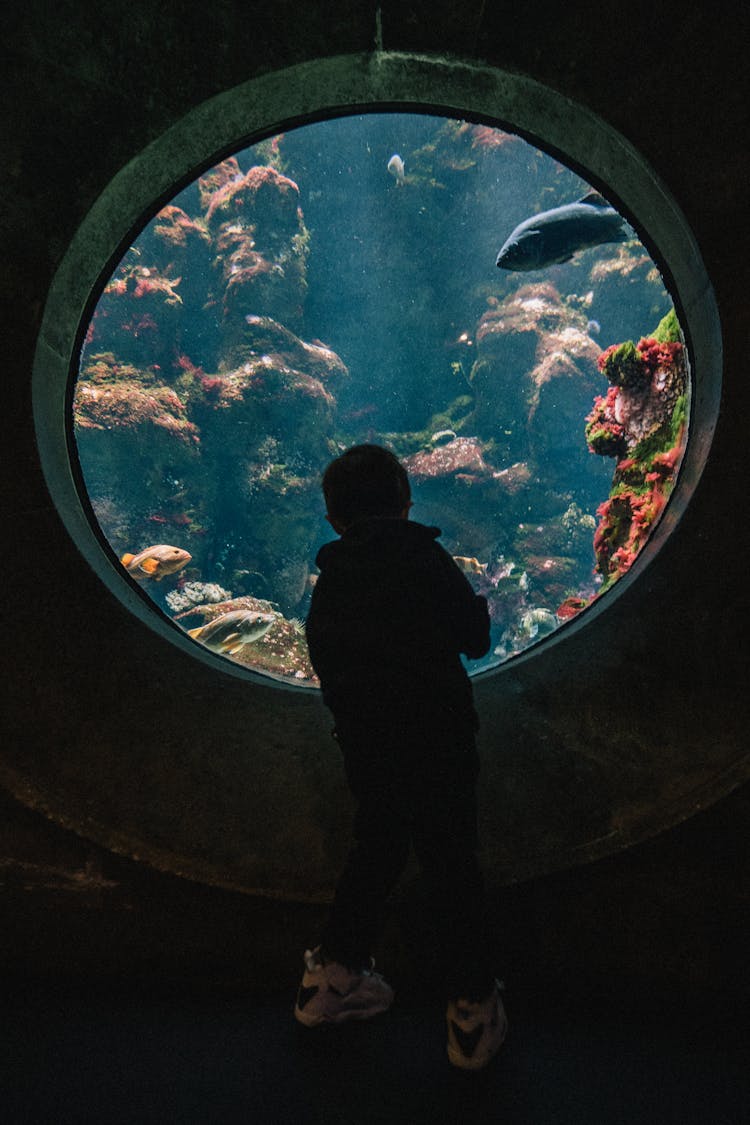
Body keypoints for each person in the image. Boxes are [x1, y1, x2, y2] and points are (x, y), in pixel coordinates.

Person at [294, 443, 507, 1070]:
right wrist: (477, 605)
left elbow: (330, 662)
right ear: (407, 502)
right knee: (452, 865)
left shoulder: (330, 579)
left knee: (374, 853)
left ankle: (328, 984)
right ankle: (471, 1013)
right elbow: (474, 639)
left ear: (333, 519)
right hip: (438, 742)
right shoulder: (424, 554)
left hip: (369, 750)